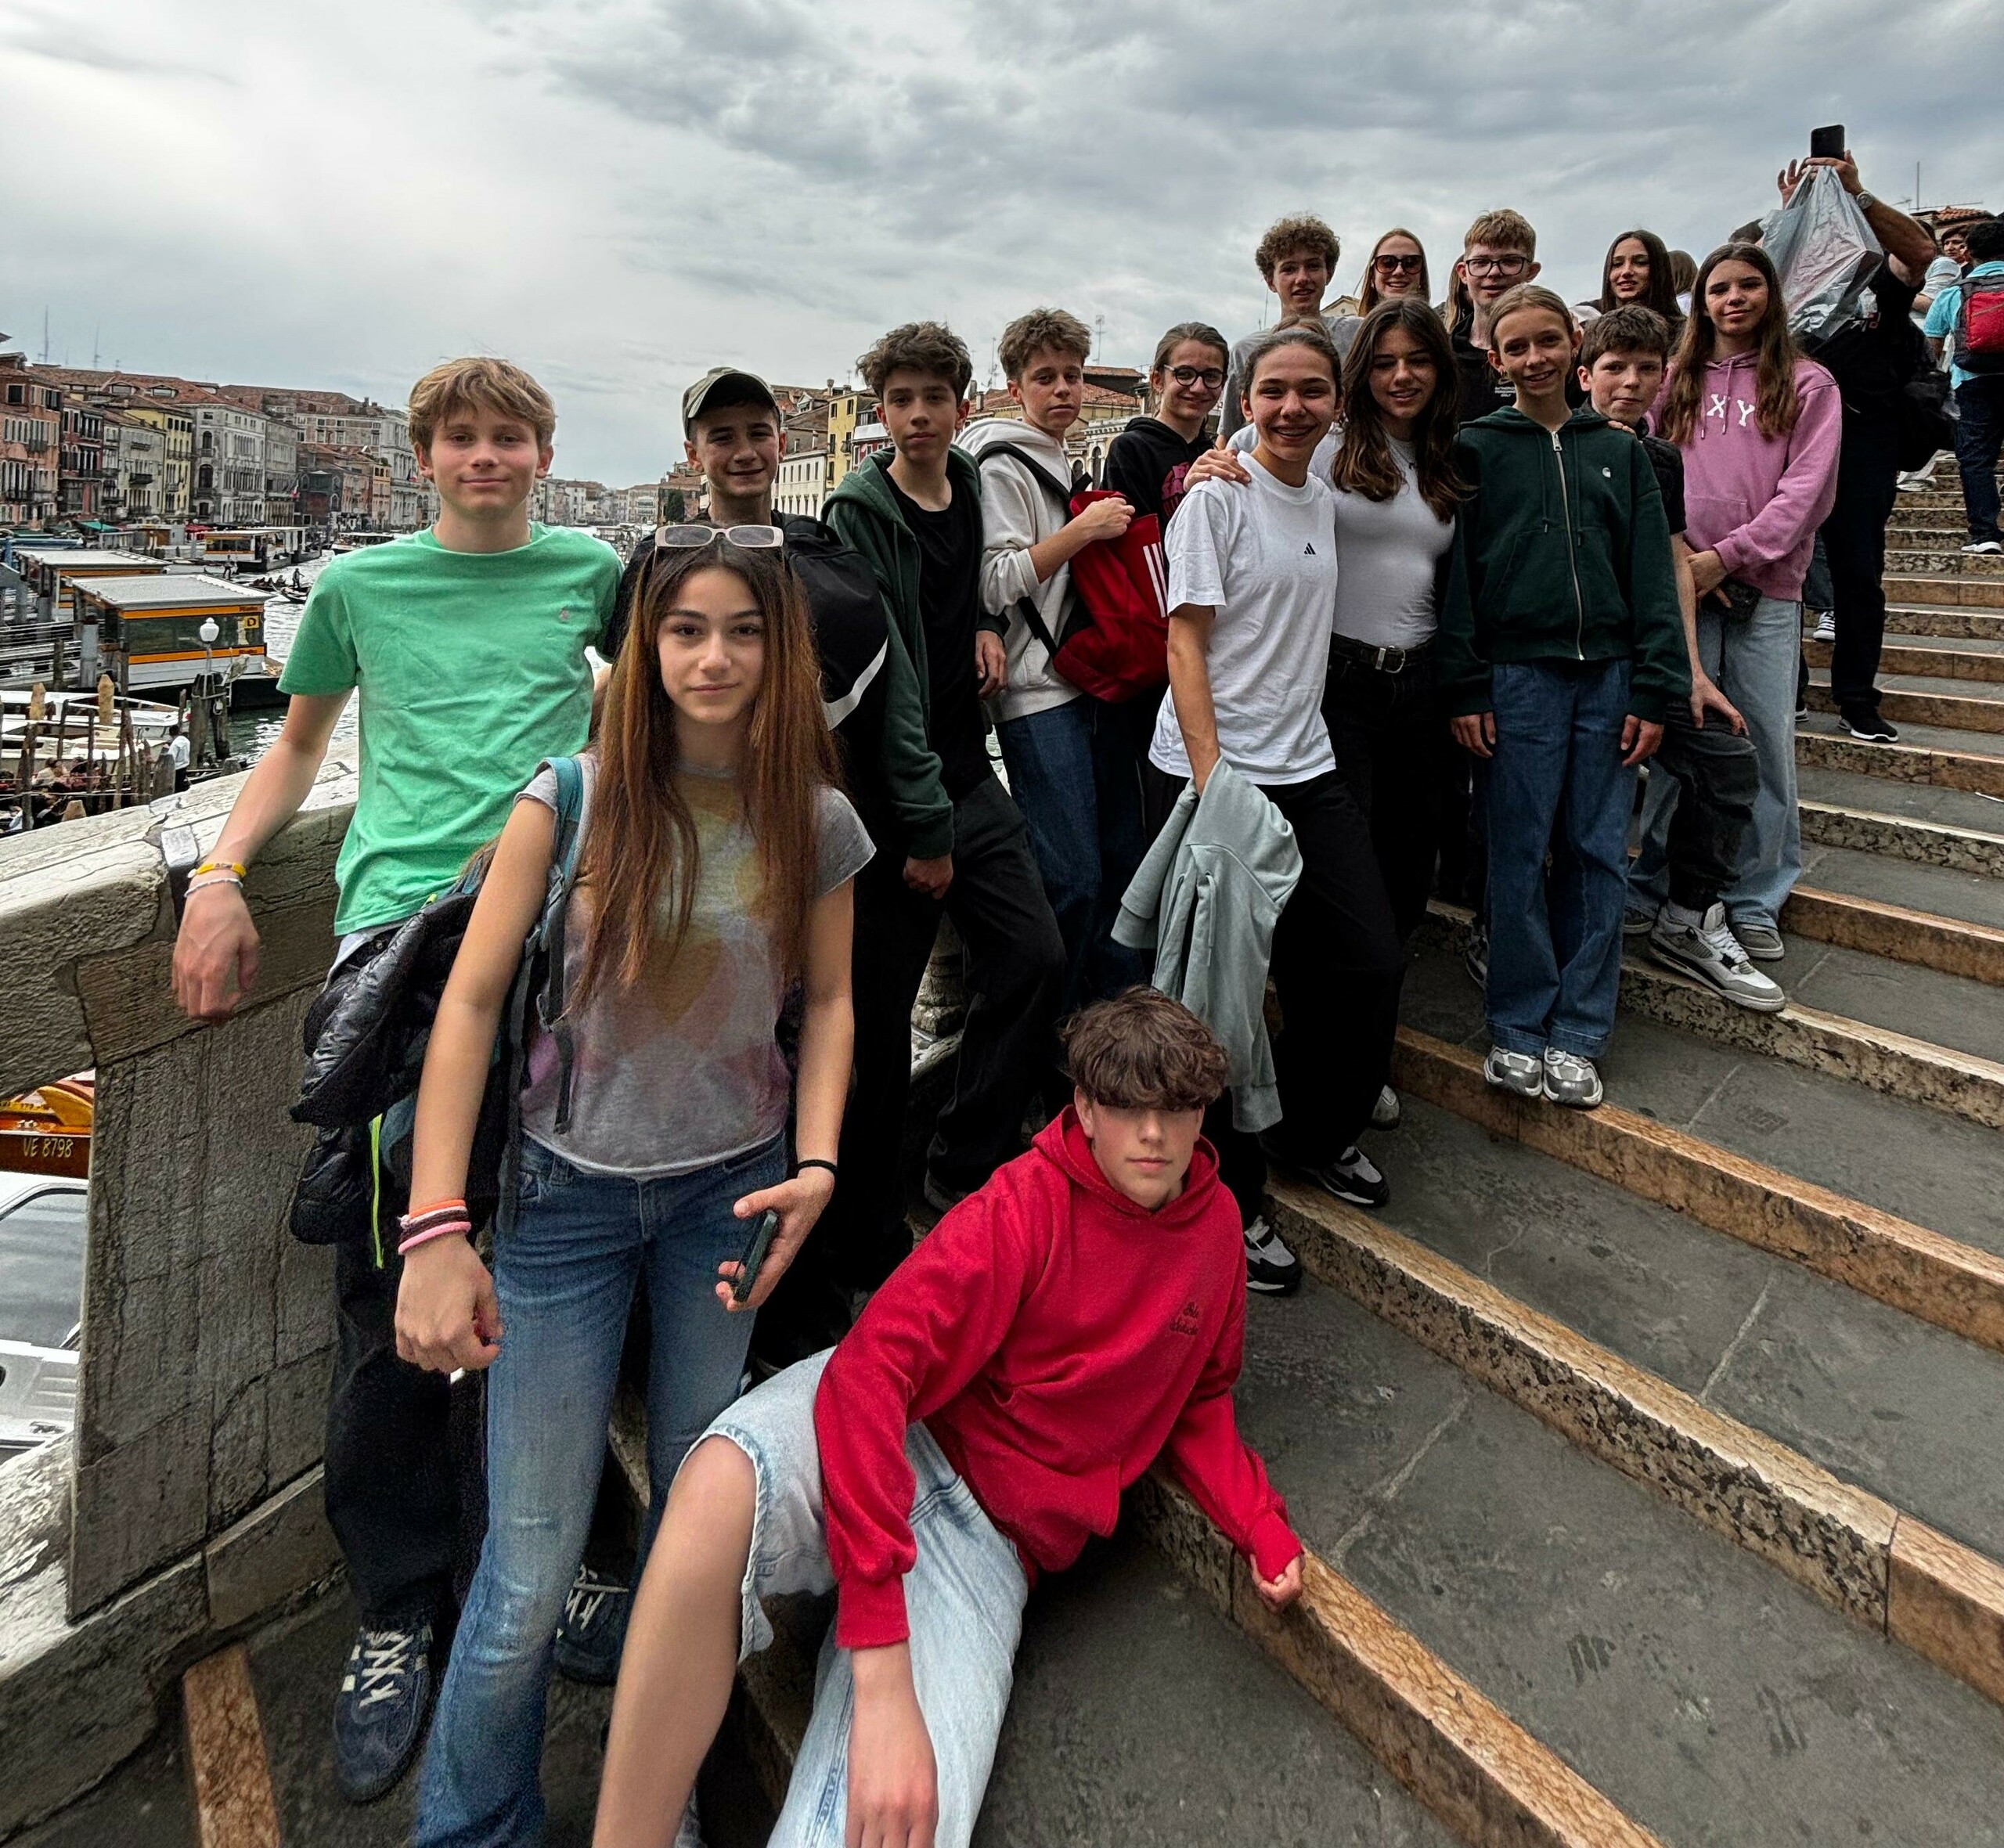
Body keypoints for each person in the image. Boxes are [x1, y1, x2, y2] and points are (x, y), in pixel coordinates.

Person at [168, 356, 621, 1802]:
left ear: (542, 452)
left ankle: (568, 1546)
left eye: (509, 437)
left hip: (559, 931)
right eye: (461, 439)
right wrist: (220, 876)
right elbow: (300, 742)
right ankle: (398, 1596)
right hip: (401, 944)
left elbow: (645, 713)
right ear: (426, 458)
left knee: (557, 1249)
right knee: (387, 1280)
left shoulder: (592, 574)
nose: (486, 458)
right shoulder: (359, 587)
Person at [395, 534, 870, 1848]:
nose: (715, 657)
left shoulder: (814, 819)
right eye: (686, 631)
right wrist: (435, 1228)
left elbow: (832, 1004)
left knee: (696, 1534)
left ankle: (657, 1810)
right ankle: (473, 1825)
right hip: (564, 1206)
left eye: (744, 632)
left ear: (782, 653)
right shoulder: (571, 800)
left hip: (732, 1194)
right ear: (646, 647)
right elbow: (470, 1008)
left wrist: (818, 1165)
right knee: (529, 1567)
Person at [592, 988, 1305, 1848]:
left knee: (899, 1822)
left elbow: (1200, 1396)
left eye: (1177, 1108)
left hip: (989, 1544)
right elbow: (867, 1376)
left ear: (1203, 1113)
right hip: (905, 1429)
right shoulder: (1023, 1204)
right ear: (1084, 1107)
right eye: (1125, 1106)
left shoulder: (1217, 1229)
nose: (1152, 1134)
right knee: (713, 1489)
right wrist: (881, 1661)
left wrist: (1257, 1523)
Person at [560, 363, 928, 1677]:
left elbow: (880, 681)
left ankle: (784, 1304)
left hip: (804, 850)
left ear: (781, 441)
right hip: (684, 865)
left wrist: (915, 811)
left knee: (804, 1069)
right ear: (694, 450)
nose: (743, 450)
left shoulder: (824, 558)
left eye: (757, 431)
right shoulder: (650, 570)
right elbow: (616, 704)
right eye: (721, 435)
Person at [1150, 321, 1406, 1291]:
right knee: (1219, 1000)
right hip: (1215, 773)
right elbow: (1184, 642)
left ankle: (1310, 1132)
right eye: (1273, 392)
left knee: (1366, 961)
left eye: (1311, 391)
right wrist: (1213, 779)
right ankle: (1232, 1200)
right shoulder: (1215, 497)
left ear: (1336, 402)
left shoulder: (1325, 494)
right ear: (1245, 402)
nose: (1292, 408)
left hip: (1306, 763)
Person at [820, 321, 1065, 1229]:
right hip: (896, 798)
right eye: (901, 400)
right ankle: (865, 1224)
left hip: (966, 771)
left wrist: (985, 628)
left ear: (963, 407)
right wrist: (924, 826)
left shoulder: (966, 482)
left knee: (1034, 958)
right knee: (877, 1020)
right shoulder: (858, 514)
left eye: (934, 398)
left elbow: (966, 595)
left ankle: (963, 1163)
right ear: (881, 412)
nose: (918, 414)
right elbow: (884, 678)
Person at [1438, 285, 1687, 1111]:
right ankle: (1517, 1022)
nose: (1535, 358)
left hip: (1609, 674)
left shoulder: (1618, 451)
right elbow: (1458, 575)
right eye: (1517, 347)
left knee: (1594, 849)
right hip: (1517, 678)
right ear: (1496, 359)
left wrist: (1657, 685)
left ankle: (1579, 1027)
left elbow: (1651, 575)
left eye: (1548, 341)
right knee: (1515, 848)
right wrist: (1466, 681)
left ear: (1574, 344)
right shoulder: (1476, 446)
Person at [1577, 307, 1779, 1012]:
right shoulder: (1555, 443)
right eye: (1615, 368)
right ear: (1586, 375)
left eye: (1645, 369)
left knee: (1727, 760)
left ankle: (1689, 915)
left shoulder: (1661, 459)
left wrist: (1690, 671)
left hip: (1643, 660)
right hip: (1570, 662)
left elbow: (1673, 565)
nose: (1630, 383)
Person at [1654, 243, 1842, 963]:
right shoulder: (1674, 379)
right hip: (1685, 585)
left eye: (1748, 285)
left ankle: (1757, 895)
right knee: (1683, 740)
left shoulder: (1807, 382)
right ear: (1701, 300)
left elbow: (1806, 494)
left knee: (1764, 744)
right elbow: (1653, 470)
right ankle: (1660, 879)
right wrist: (1685, 565)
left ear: (1771, 294)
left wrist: (1726, 557)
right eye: (1719, 288)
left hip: (1764, 588)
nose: (1733, 299)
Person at [962, 308, 1152, 1016]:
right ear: (1015, 388)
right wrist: (1083, 530)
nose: (1065, 389)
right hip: (1035, 694)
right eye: (1046, 378)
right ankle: (1054, 1023)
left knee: (1107, 864)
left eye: (1073, 375)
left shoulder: (1054, 455)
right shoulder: (1004, 465)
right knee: (1072, 876)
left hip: (1080, 683)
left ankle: (1102, 1022)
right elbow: (994, 582)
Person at [1780, 152, 1940, 742]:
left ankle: (1856, 697)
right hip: (1788, 439)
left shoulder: (1878, 275)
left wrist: (1858, 193)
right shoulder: (1784, 277)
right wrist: (1791, 217)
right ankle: (1788, 688)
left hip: (1864, 440)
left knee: (1858, 574)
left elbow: (1920, 252)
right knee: (1779, 569)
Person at [1218, 214, 1346, 443]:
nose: (1302, 278)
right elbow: (1228, 436)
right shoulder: (1246, 351)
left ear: (1329, 273)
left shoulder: (1357, 335)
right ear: (1270, 280)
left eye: (1313, 266)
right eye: (1289, 269)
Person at [1923, 216, 2004, 555]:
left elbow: (1931, 347)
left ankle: (1985, 535)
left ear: (1968, 254)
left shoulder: (1953, 294)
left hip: (1971, 382)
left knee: (1976, 459)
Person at [1101, 321, 1230, 527]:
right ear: (1157, 380)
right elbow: (1135, 535)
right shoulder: (1130, 449)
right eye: (1184, 374)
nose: (1198, 387)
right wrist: (1188, 492)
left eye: (1211, 376)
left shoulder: (1210, 452)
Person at [1447, 209, 1544, 427]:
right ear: (1463, 273)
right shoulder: (1443, 356)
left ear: (1531, 271)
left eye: (1509, 261)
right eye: (1481, 262)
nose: (1493, 273)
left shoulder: (1551, 353)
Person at [1329, 229, 1433, 358]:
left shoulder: (1439, 341)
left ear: (1421, 277)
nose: (1399, 271)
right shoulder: (1343, 341)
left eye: (1411, 263)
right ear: (1372, 277)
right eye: (1387, 263)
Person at [1588, 229, 1684, 336]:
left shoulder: (1686, 335)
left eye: (1640, 262)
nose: (1626, 271)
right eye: (1617, 264)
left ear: (1659, 270)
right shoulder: (1591, 333)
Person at [168, 723, 190, 791]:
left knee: (176, 788)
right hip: (184, 766)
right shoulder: (187, 741)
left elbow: (171, 758)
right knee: (180, 786)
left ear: (171, 735)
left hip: (177, 769)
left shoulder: (175, 744)